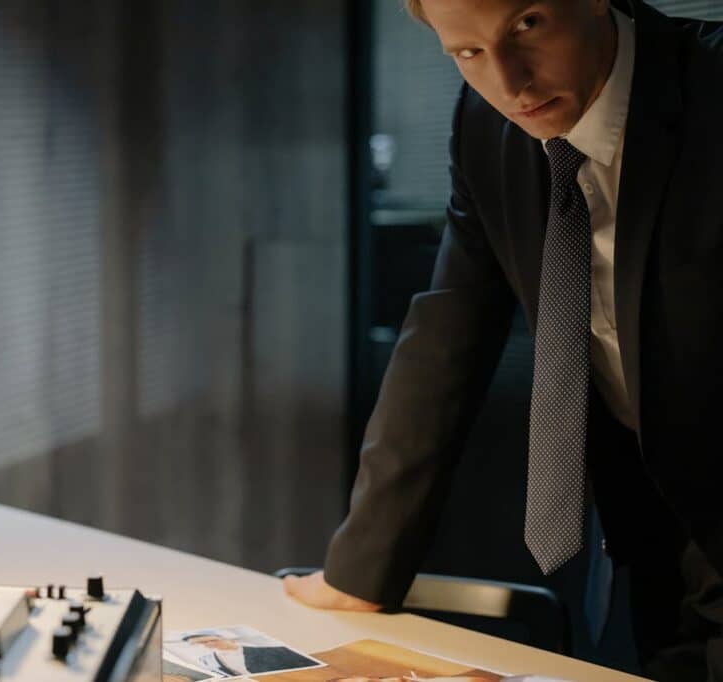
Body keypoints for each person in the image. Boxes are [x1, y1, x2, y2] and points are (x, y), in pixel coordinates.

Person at [283, 1, 723, 680]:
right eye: (468, 53)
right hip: (648, 532)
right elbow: (447, 332)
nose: (510, 83)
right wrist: (360, 570)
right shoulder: (486, 125)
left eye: (529, 25)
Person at [180, 632, 319, 676]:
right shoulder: (208, 662)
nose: (208, 645)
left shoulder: (274, 651)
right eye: (200, 644)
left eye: (209, 640)